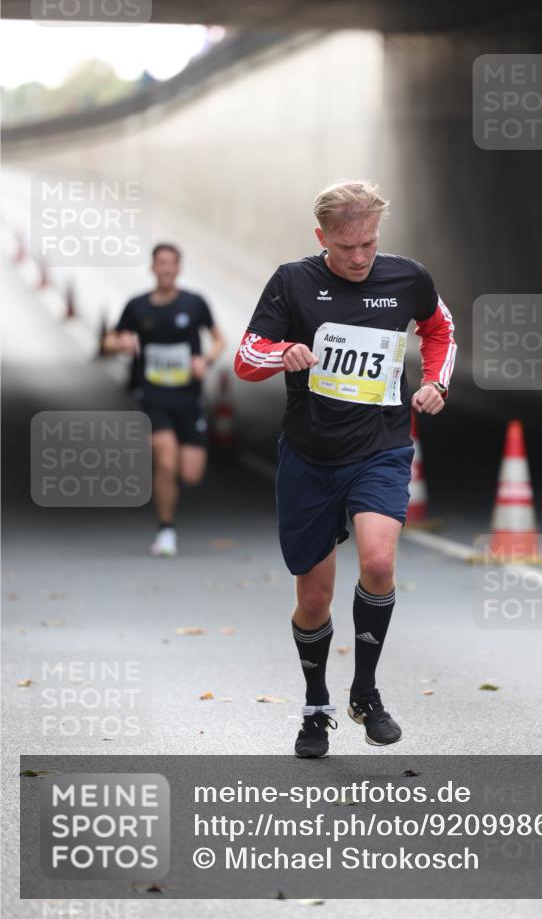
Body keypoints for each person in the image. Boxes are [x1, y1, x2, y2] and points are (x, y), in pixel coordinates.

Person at [234, 181, 456, 757]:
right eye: (346, 246)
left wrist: (436, 381)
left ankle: (366, 691)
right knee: (315, 597)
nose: (359, 258)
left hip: (380, 446)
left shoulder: (407, 278)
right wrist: (283, 354)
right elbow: (245, 355)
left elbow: (439, 329)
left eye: (369, 244)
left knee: (379, 560)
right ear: (321, 238)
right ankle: (315, 706)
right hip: (309, 454)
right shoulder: (294, 281)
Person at [104, 242, 225, 556]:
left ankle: (168, 503)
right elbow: (108, 341)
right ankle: (166, 531)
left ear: (178, 268)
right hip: (153, 397)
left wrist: (206, 361)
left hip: (189, 400)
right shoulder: (137, 307)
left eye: (172, 263)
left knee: (190, 473)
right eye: (161, 263)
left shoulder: (195, 303)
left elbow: (219, 339)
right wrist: (122, 344)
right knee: (166, 459)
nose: (166, 268)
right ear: (153, 267)